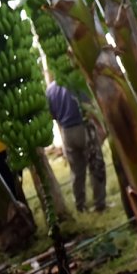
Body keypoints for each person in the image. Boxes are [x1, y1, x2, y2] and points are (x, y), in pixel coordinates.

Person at [46, 81, 108, 213]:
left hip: (67, 132)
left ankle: (80, 205)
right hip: (83, 127)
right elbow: (88, 107)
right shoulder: (76, 80)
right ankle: (100, 204)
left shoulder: (50, 90)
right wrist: (100, 127)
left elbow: (51, 115)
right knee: (95, 164)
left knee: (76, 171)